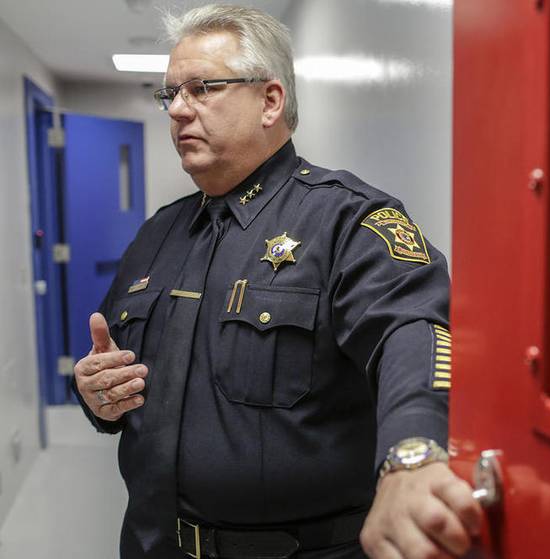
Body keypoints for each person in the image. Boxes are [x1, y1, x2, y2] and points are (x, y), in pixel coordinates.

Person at [71, 4, 481, 558]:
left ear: (270, 100)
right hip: (155, 544)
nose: (178, 110)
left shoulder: (347, 220)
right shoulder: (157, 234)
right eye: (170, 95)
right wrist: (95, 394)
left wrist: (412, 456)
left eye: (202, 88)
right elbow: (112, 370)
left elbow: (410, 329)